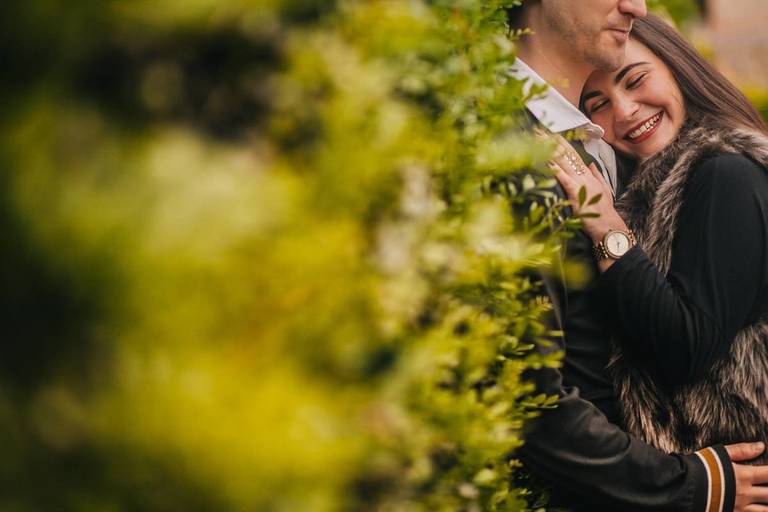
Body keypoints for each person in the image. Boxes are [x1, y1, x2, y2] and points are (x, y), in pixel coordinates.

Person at [505, 2, 768, 511]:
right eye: (598, 103)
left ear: (679, 69)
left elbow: (687, 345)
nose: (624, 113)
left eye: (635, 79)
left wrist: (608, 227)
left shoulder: (723, 173)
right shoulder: (648, 183)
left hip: (741, 470)